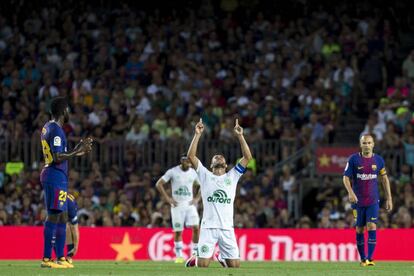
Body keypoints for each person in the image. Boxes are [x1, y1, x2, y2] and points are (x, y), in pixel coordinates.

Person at [185, 118, 252, 268]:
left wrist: (240, 136)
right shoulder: (205, 174)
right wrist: (197, 134)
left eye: (221, 157)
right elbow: (191, 157)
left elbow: (248, 158)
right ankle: (197, 256)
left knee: (235, 267)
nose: (219, 157)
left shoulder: (232, 176)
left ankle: (220, 256)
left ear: (226, 164)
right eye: (216, 157)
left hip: (227, 227)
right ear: (211, 164)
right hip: (209, 227)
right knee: (202, 266)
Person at [40, 97, 92, 268]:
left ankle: (60, 258)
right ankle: (47, 259)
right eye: (68, 109)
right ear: (63, 111)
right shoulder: (56, 130)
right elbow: (57, 157)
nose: (69, 112)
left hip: (57, 175)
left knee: (62, 217)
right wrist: (76, 150)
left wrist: (77, 151)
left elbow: (61, 155)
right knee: (54, 216)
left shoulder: (49, 127)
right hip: (54, 175)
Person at [343, 134, 393, 267]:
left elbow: (384, 179)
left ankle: (370, 259)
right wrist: (350, 192)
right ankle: (363, 258)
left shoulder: (379, 160)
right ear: (361, 144)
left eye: (369, 143)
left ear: (373, 144)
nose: (367, 145)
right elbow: (345, 178)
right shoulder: (353, 159)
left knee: (371, 226)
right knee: (359, 229)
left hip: (372, 200)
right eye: (364, 143)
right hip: (357, 201)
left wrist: (389, 198)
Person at [156, 155, 201, 263]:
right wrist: (168, 199)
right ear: (182, 161)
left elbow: (202, 185)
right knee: (178, 231)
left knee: (196, 227)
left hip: (190, 205)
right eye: (186, 161)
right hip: (177, 205)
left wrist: (197, 199)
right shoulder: (173, 172)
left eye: (189, 161)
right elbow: (159, 184)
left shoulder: (193, 173)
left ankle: (194, 254)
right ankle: (179, 255)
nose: (188, 163)